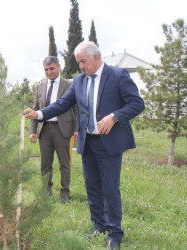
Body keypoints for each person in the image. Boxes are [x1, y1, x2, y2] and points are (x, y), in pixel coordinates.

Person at [21, 41, 144, 250]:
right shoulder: (79, 81)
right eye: (78, 62)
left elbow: (136, 104)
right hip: (88, 143)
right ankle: (99, 227)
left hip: (109, 143)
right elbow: (62, 104)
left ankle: (114, 234)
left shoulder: (118, 75)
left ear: (96, 57)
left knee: (110, 189)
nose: (81, 66)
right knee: (93, 188)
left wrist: (115, 116)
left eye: (83, 61)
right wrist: (39, 114)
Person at [29, 56, 78, 203]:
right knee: (45, 164)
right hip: (45, 130)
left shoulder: (69, 85)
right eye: (46, 69)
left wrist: (77, 129)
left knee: (64, 163)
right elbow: (35, 110)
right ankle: (46, 191)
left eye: (52, 68)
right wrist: (32, 130)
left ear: (58, 67)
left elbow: (77, 109)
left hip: (63, 129)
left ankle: (65, 193)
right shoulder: (40, 86)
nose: (49, 72)